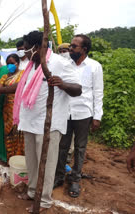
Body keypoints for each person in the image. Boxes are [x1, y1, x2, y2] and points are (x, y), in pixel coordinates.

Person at [12, 31, 82, 212]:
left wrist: (62, 84)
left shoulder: (60, 63)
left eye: (27, 50)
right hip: (29, 121)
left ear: (38, 48)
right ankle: (32, 190)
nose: (25, 54)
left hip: (48, 124)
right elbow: (22, 87)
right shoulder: (30, 66)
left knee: (47, 164)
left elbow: (77, 89)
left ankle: (43, 200)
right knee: (32, 162)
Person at [54, 34, 104, 198]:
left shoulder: (94, 66)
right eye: (71, 46)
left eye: (74, 46)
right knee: (62, 146)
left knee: (80, 148)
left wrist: (97, 116)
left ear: (84, 49)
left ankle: (75, 179)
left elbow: (98, 92)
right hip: (65, 111)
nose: (70, 49)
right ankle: (59, 176)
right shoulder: (64, 63)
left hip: (83, 113)